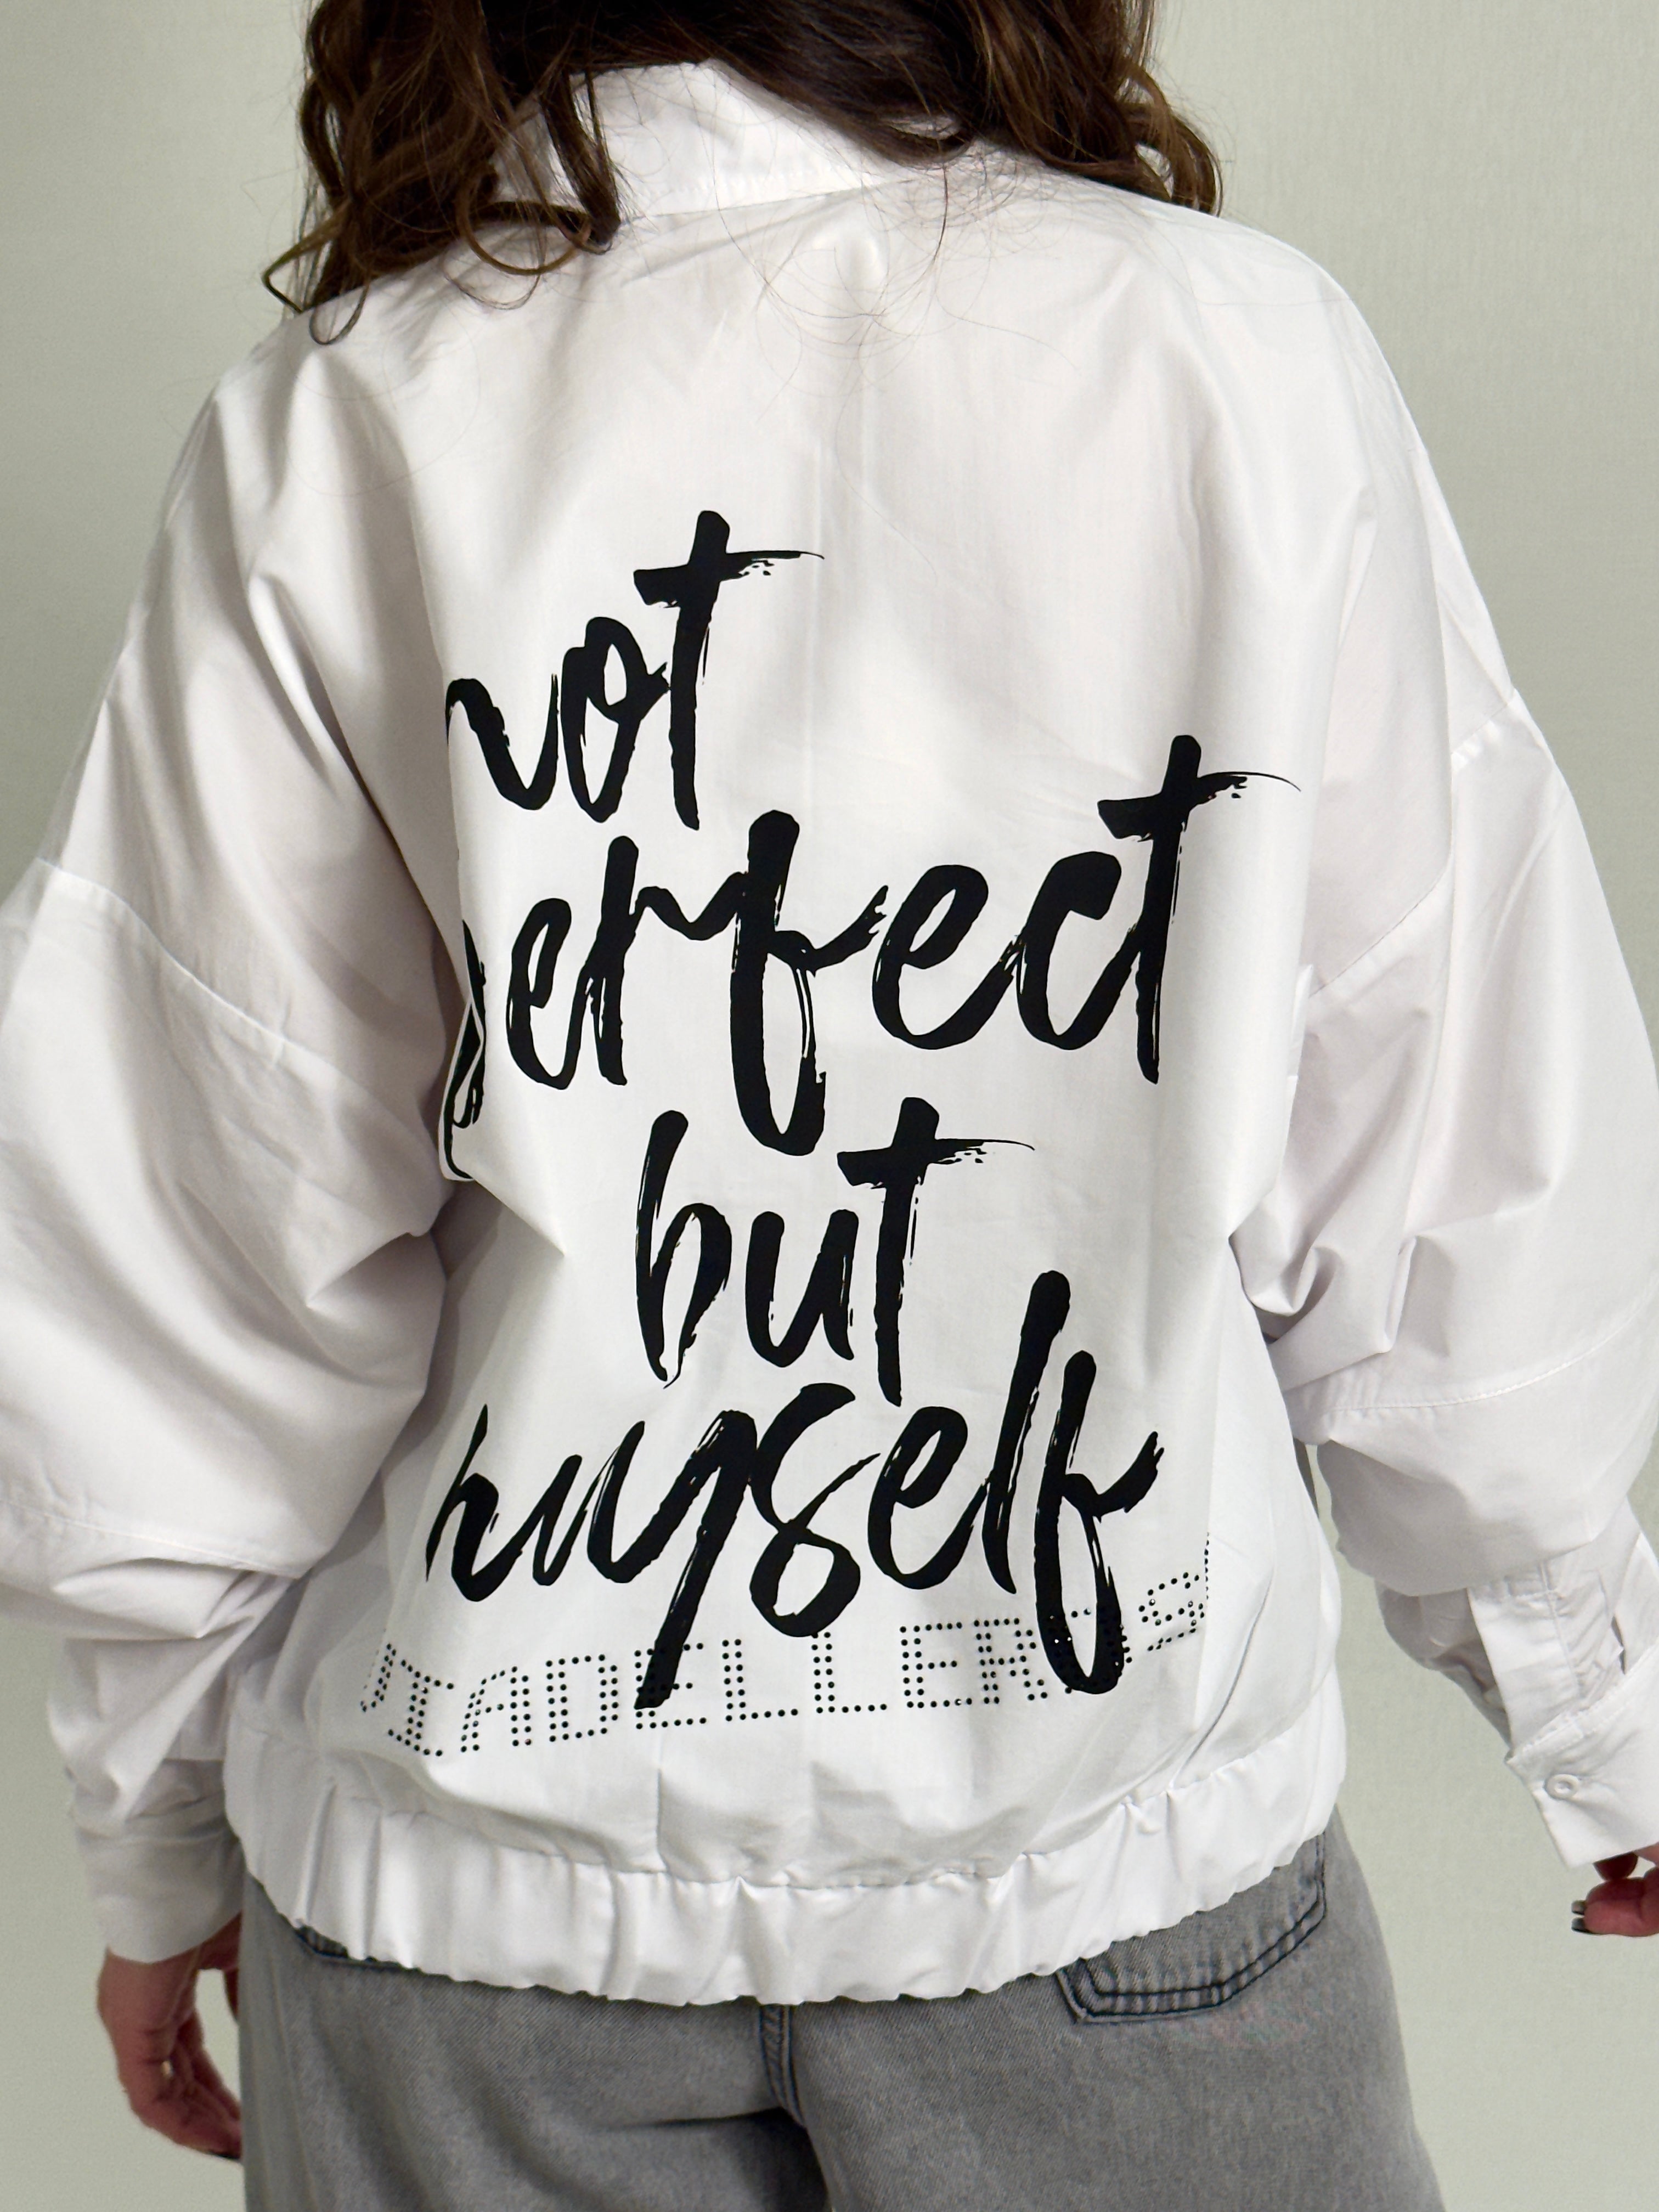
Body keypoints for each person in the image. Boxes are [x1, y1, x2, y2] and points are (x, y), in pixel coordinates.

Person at [3, 3, 1658, 2205]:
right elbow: (1438, 1126)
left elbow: (190, 1216)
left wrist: (156, 1830)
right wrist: (1595, 1692)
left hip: (475, 1929)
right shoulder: (1239, 357)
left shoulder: (353, 412)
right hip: (1108, 1862)